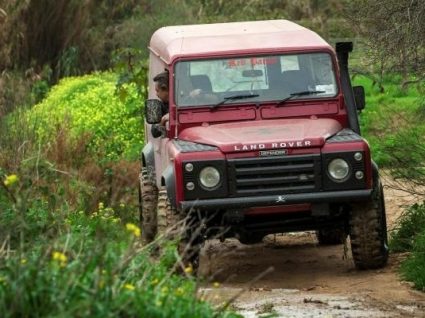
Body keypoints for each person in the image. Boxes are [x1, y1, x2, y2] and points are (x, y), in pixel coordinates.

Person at [151, 70, 170, 138]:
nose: (157, 94)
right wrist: (163, 120)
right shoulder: (160, 106)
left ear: (165, 89)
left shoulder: (187, 101)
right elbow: (154, 132)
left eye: (158, 91)